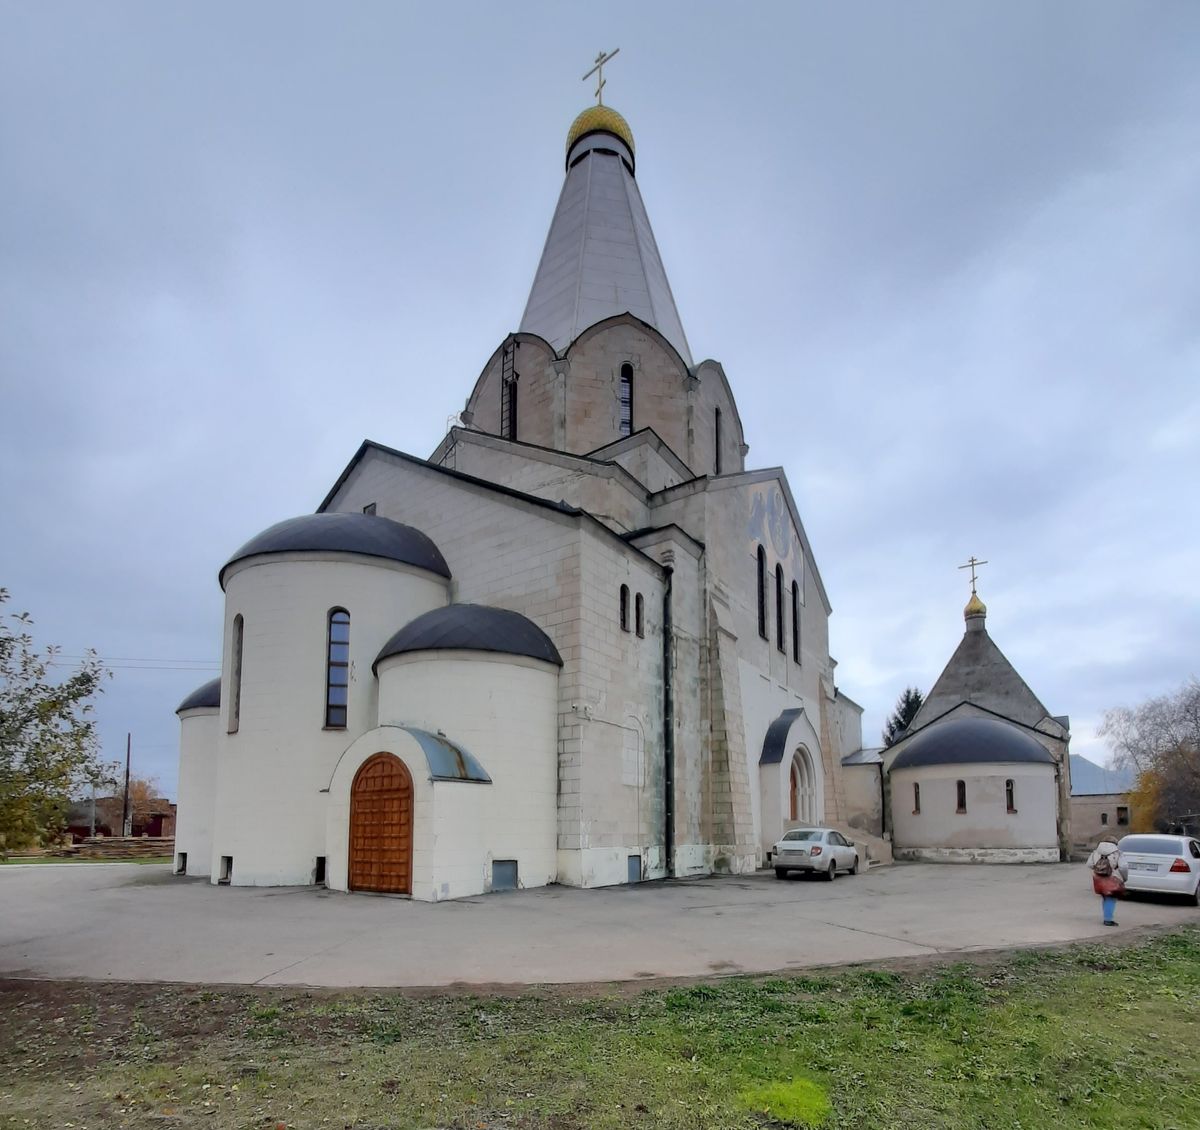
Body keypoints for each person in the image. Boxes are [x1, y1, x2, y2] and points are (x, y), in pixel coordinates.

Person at [1086, 838, 1125, 926]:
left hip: (1098, 878)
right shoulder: (1118, 853)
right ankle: (1108, 919)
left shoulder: (1096, 852)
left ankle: (1106, 917)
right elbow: (1123, 867)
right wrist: (1123, 877)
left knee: (1105, 897)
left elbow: (1089, 864)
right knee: (1111, 897)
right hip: (1112, 878)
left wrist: (1099, 869)